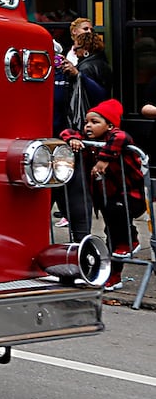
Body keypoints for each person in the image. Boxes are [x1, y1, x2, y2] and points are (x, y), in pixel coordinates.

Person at [62, 98, 146, 290]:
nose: (88, 126)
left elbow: (122, 137)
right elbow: (66, 132)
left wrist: (103, 159)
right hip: (106, 197)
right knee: (112, 237)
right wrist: (72, 139)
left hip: (129, 196)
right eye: (86, 122)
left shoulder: (116, 138)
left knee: (118, 225)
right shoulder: (90, 140)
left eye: (95, 122)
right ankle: (114, 275)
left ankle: (131, 240)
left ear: (109, 125)